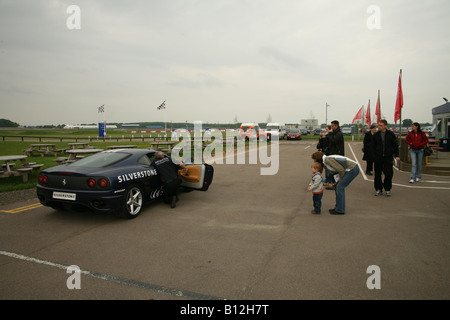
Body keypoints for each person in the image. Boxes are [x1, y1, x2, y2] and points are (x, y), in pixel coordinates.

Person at [372, 120, 400, 197]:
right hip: (378, 157)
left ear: (385, 126)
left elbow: (395, 145)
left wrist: (397, 155)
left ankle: (387, 188)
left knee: (388, 173)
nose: (379, 127)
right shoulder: (376, 135)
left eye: (381, 125)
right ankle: (378, 189)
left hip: (388, 157)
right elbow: (373, 147)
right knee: (377, 174)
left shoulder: (391, 134)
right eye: (378, 125)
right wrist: (374, 156)